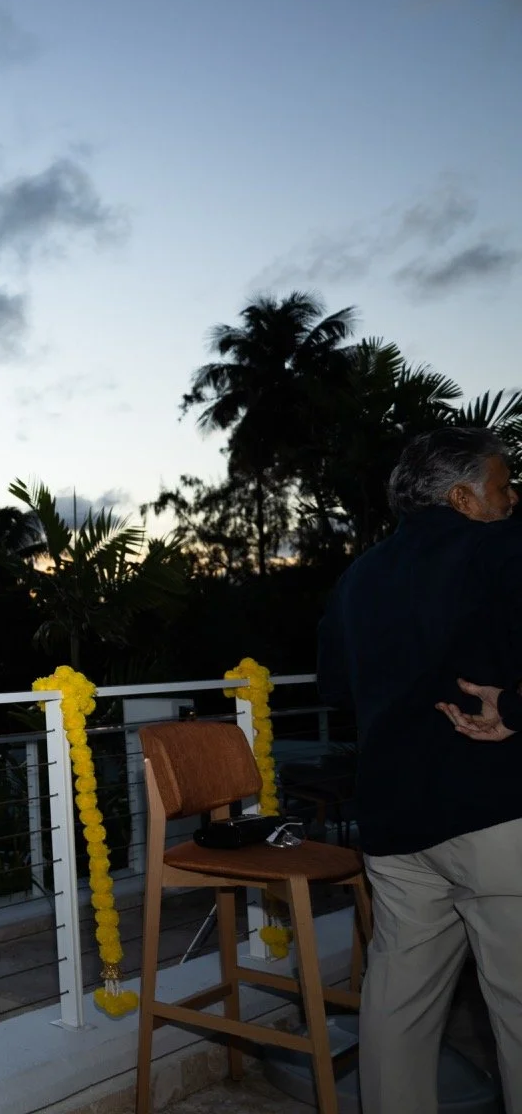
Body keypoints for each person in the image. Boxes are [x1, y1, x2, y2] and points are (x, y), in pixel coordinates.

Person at [317, 426, 522, 1114]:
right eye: (502, 484)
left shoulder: (358, 578)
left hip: (395, 824)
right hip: (496, 814)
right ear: (463, 497)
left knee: (398, 1006)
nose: (513, 496)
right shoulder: (502, 548)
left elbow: (337, 690)